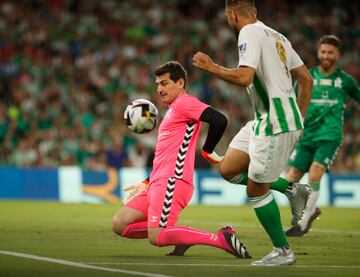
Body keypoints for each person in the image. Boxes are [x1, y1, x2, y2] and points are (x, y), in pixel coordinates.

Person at [189, 0, 313, 266]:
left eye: (226, 16)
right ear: (254, 11)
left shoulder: (248, 33)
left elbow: (245, 77)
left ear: (233, 14)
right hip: (263, 120)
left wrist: (212, 67)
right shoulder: (277, 36)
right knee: (228, 169)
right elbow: (306, 79)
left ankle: (283, 251)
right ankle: (293, 189)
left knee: (256, 189)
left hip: (276, 124)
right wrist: (299, 117)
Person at [112, 61, 251, 259]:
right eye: (158, 84)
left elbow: (219, 119)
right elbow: (166, 155)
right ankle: (178, 236)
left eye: (165, 83)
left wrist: (207, 150)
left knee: (156, 236)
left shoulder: (185, 103)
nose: (160, 89)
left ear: (180, 83)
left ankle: (220, 238)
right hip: (157, 182)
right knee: (120, 223)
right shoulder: (173, 109)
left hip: (172, 181)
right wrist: (147, 182)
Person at [285, 35, 360, 236]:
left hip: (330, 135)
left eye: (330, 52)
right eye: (323, 51)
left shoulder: (346, 81)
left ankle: (302, 223)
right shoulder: (307, 77)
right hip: (306, 135)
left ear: (338, 55)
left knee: (316, 172)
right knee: (290, 178)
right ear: (318, 53)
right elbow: (292, 104)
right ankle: (307, 210)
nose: (326, 55)